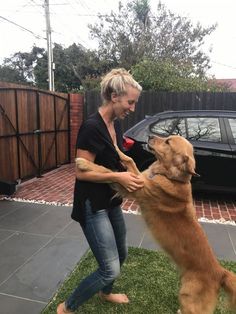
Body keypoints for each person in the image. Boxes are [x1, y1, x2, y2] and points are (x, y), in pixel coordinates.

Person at [57, 68, 144, 314]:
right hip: (92, 204)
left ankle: (106, 292)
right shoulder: (91, 127)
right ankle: (67, 307)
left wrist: (125, 165)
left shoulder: (111, 124)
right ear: (114, 97)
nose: (132, 108)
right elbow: (81, 172)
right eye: (130, 102)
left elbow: (110, 155)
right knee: (110, 268)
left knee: (122, 252)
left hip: (110, 199)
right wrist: (119, 176)